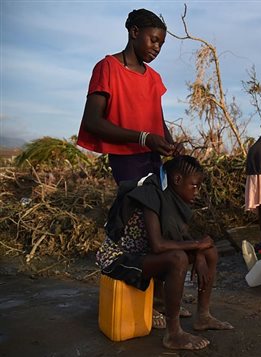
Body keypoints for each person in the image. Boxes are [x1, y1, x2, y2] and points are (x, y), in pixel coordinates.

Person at [96, 156, 233, 351]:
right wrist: (197, 245)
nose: (197, 191)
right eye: (194, 186)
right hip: (118, 259)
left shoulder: (172, 196)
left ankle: (203, 316)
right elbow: (159, 245)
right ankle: (173, 333)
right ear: (177, 180)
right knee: (178, 259)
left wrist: (200, 252)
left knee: (210, 251)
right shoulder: (150, 193)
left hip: (143, 255)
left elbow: (181, 237)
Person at [77, 8, 183, 185]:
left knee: (156, 208)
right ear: (135, 32)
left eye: (161, 45)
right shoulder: (108, 68)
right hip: (126, 159)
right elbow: (92, 121)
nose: (157, 48)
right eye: (154, 40)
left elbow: (158, 121)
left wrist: (172, 146)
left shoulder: (154, 78)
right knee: (139, 207)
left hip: (154, 158)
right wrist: (143, 138)